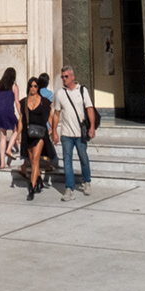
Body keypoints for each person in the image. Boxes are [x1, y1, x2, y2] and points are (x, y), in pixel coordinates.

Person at [51, 65, 98, 199]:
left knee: (83, 157)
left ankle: (87, 181)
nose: (64, 79)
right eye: (62, 77)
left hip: (80, 133)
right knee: (67, 160)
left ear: (72, 77)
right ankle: (69, 188)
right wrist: (54, 131)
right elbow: (56, 113)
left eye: (66, 76)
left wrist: (92, 127)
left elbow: (89, 109)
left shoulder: (82, 91)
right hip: (66, 133)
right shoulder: (60, 93)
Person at [19, 76, 52, 199]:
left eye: (35, 86)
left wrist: (53, 130)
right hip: (28, 134)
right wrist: (17, 134)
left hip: (40, 133)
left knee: (35, 160)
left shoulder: (44, 101)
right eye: (31, 86)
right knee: (32, 159)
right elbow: (21, 119)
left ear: (38, 87)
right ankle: (38, 180)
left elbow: (50, 116)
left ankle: (32, 188)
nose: (33, 88)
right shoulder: (24, 102)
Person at [0, 68, 19, 170]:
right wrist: (21, 114)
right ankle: (9, 149)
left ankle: (2, 162)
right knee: (17, 130)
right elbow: (17, 102)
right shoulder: (14, 86)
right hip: (8, 110)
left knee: (3, 137)